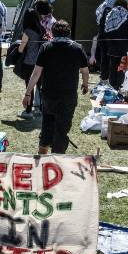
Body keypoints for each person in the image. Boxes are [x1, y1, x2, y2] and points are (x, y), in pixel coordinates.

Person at [23, 20, 90, 154]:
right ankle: (57, 160)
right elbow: (85, 71)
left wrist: (28, 93)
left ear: (52, 33)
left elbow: (36, 73)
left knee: (47, 125)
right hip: (68, 96)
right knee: (62, 129)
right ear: (68, 33)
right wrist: (85, 83)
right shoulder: (77, 48)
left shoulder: (46, 47)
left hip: (49, 95)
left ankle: (42, 157)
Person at [17, 2, 46, 118]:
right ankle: (41, 109)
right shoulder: (41, 29)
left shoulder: (28, 31)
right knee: (40, 86)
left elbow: (21, 48)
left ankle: (28, 111)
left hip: (29, 62)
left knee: (29, 86)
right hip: (40, 61)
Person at [101, 0, 128, 89]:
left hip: (112, 47)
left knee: (112, 67)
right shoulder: (127, 17)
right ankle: (119, 86)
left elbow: (106, 30)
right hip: (123, 48)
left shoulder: (110, 15)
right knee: (121, 68)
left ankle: (112, 86)